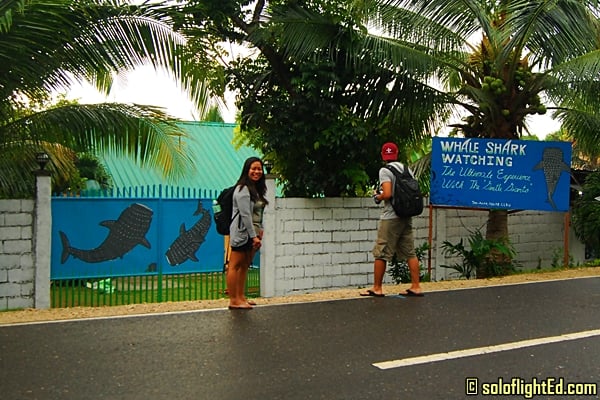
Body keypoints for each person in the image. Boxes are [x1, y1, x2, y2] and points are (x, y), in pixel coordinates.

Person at [360, 142, 424, 298]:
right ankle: (416, 286)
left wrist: (378, 196)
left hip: (391, 217)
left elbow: (387, 194)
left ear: (383, 155)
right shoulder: (407, 169)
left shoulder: (385, 170)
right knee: (410, 252)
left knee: (381, 252)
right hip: (405, 215)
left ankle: (377, 288)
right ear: (396, 153)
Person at [227, 157, 269, 309]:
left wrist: (260, 231)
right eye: (253, 169)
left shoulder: (256, 190)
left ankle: (241, 296)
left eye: (259, 169)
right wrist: (253, 236)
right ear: (247, 170)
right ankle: (233, 300)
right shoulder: (243, 189)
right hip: (243, 233)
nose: (257, 172)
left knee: (245, 265)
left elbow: (258, 213)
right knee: (235, 265)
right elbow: (245, 215)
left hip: (254, 233)